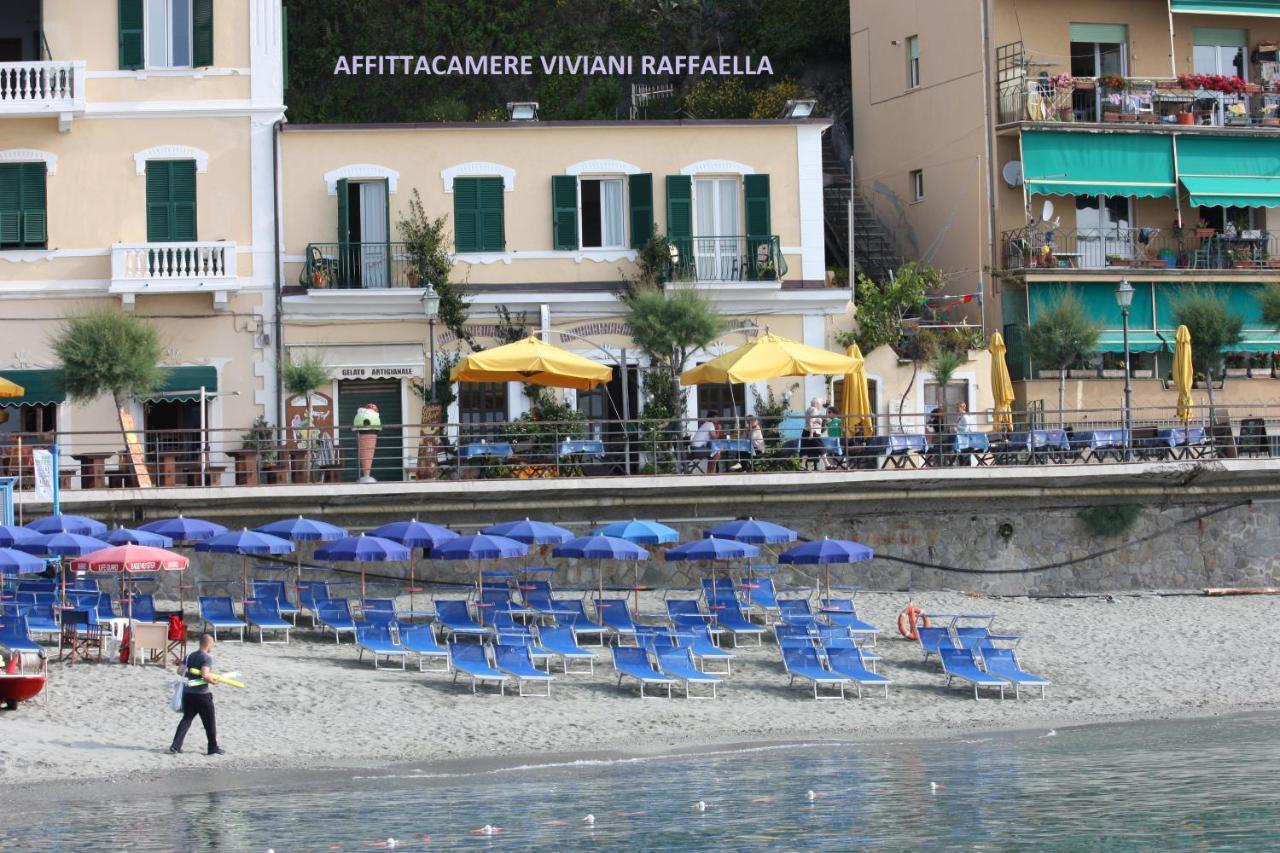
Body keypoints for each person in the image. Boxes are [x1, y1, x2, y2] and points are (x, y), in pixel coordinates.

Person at [170, 634, 225, 756]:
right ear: (208, 644)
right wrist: (213, 681)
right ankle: (213, 748)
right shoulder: (207, 658)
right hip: (202, 695)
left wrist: (191, 672)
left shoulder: (189, 656)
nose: (213, 647)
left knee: (186, 719)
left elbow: (180, 671)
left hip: (188, 694)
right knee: (209, 723)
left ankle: (175, 746)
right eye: (213, 645)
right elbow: (205, 675)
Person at [802, 398, 826, 471]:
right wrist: (812, 433)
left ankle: (802, 465)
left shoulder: (809, 409)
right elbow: (811, 421)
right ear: (816, 404)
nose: (821, 406)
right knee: (821, 448)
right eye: (820, 404)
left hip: (806, 431)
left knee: (805, 449)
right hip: (813, 432)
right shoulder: (814, 410)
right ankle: (827, 464)